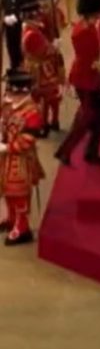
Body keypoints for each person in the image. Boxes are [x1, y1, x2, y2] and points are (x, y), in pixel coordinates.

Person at [55, 0, 100, 167]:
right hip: (85, 78)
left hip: (87, 75)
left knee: (92, 115)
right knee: (87, 117)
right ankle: (68, 151)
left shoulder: (85, 27)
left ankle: (78, 151)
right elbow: (90, 59)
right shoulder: (84, 31)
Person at [0, 71, 46, 246]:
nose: (8, 94)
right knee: (6, 190)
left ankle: (22, 225)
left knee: (19, 193)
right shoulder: (8, 105)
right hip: (6, 158)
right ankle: (11, 218)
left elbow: (28, 140)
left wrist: (7, 147)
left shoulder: (32, 111)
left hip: (21, 159)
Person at [19, 0, 66, 137]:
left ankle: (54, 121)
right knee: (45, 96)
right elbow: (43, 50)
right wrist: (53, 47)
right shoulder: (32, 32)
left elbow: (59, 24)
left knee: (52, 94)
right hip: (40, 65)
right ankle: (43, 124)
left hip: (45, 62)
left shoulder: (50, 16)